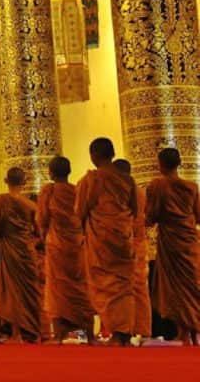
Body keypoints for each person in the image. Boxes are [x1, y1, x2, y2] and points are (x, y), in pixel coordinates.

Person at [76, 137, 137, 346]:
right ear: (112, 154)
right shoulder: (127, 180)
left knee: (105, 287)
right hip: (122, 238)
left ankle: (116, 332)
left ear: (93, 156)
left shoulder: (91, 180)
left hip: (101, 241)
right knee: (123, 286)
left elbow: (80, 211)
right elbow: (134, 210)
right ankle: (124, 333)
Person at [36, 156, 96, 342]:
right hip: (77, 244)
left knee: (57, 289)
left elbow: (42, 219)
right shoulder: (77, 191)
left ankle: (59, 335)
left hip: (57, 245)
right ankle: (90, 334)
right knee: (81, 287)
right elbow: (85, 215)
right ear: (68, 171)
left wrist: (43, 236)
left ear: (51, 173)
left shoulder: (49, 191)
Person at [145, 148, 200, 346]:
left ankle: (185, 331)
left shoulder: (157, 186)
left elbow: (151, 216)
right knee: (191, 287)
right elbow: (198, 215)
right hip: (189, 242)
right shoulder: (192, 187)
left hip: (170, 242)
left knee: (176, 290)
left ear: (160, 164)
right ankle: (191, 331)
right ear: (180, 163)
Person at [0, 167, 42, 342]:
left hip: (9, 248)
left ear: (6, 181)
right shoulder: (31, 206)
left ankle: (16, 333)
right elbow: (39, 231)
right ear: (24, 182)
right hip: (26, 250)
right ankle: (34, 330)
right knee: (28, 290)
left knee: (11, 290)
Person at [114, 158, 151, 340]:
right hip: (139, 243)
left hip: (124, 243)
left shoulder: (119, 193)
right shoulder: (140, 193)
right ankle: (142, 330)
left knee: (121, 289)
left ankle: (124, 329)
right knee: (140, 289)